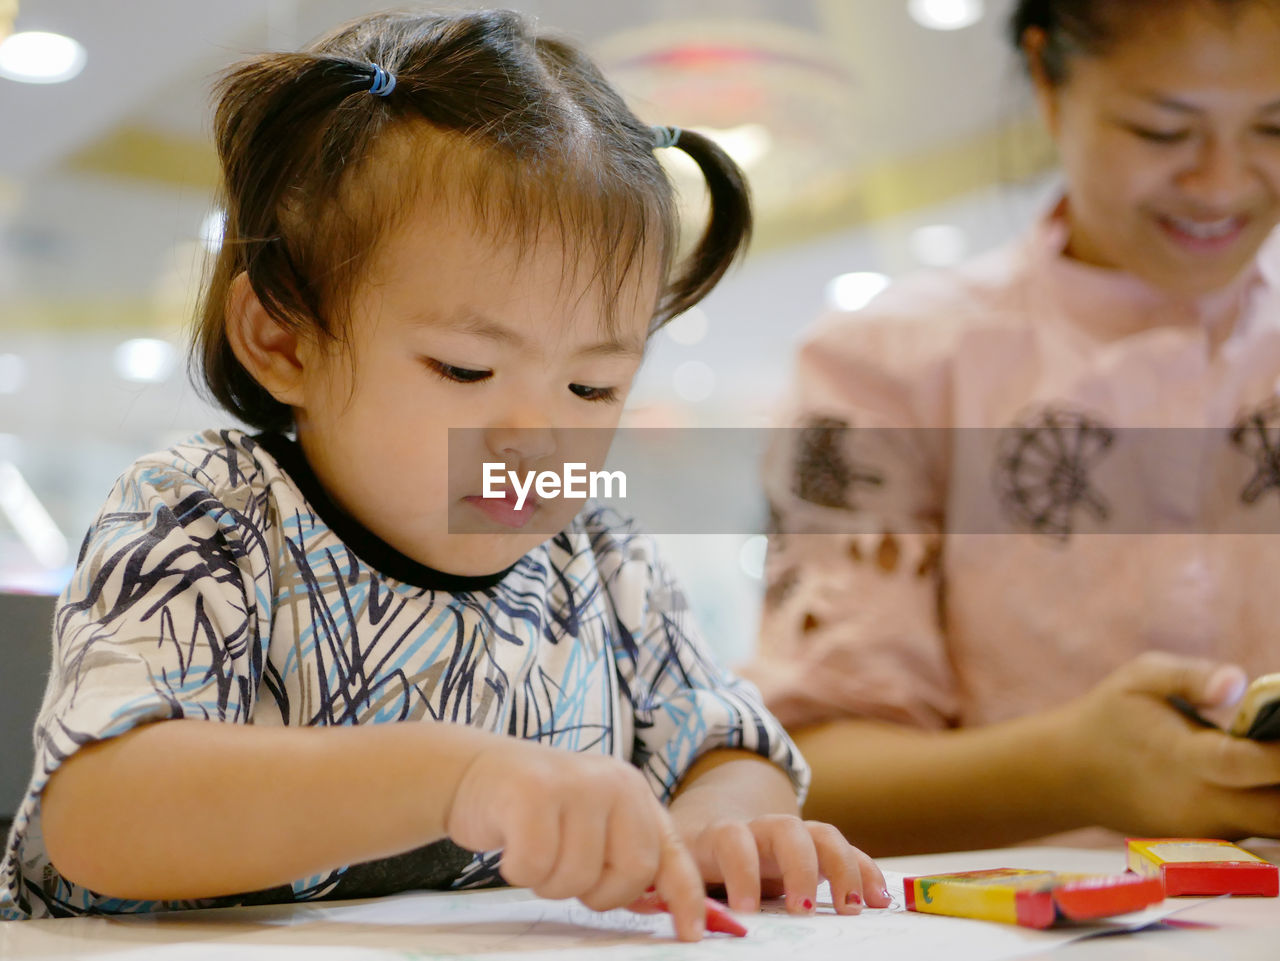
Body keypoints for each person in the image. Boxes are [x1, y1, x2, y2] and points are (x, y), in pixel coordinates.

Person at [0, 9, 889, 928]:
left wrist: (717, 827)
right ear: (282, 339)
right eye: (465, 369)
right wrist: (451, 776)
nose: (536, 434)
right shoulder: (208, 518)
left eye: (593, 386)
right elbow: (101, 814)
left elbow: (729, 746)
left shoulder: (604, 567)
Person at [744, 0, 1280, 856]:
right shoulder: (887, 365)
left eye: (1275, 126)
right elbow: (804, 775)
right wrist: (1075, 769)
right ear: (1048, 78)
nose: (1223, 182)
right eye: (1160, 130)